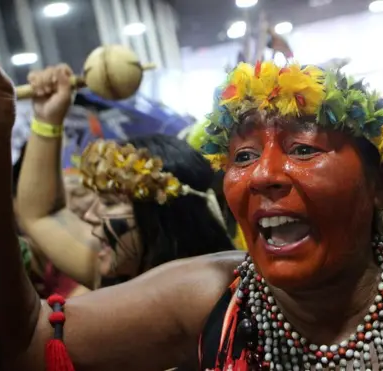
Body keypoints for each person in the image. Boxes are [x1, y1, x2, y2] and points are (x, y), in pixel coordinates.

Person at [0, 36, 383, 371]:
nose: (262, 175)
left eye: (303, 148)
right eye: (239, 156)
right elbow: (17, 347)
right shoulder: (204, 299)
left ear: (380, 181)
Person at [15, 65, 235, 289]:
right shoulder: (119, 273)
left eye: (109, 203)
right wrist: (47, 118)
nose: (89, 216)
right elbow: (41, 214)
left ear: (160, 217)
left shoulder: (228, 291)